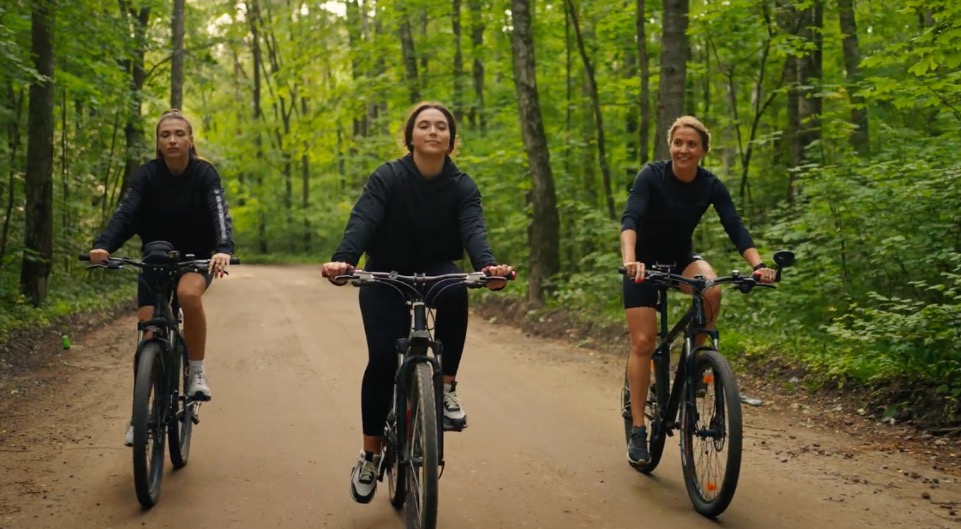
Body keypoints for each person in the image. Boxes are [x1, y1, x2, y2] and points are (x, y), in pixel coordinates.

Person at [321, 101, 514, 504]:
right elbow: (364, 219)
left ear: (451, 140)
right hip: (385, 271)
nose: (432, 131)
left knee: (457, 289)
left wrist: (489, 267)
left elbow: (473, 230)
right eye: (423, 126)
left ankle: (444, 389)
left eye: (440, 127)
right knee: (381, 360)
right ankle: (370, 456)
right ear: (410, 137)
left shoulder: (462, 185)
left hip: (435, 267)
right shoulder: (388, 177)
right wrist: (345, 259)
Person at [619, 115, 775, 466]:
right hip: (642, 265)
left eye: (692, 144)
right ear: (670, 146)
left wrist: (757, 265)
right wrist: (631, 260)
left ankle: (695, 365)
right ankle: (639, 430)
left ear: (703, 150)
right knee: (643, 342)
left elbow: (734, 225)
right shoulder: (651, 176)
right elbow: (630, 219)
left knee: (712, 288)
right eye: (678, 143)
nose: (683, 150)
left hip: (680, 261)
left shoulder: (710, 185)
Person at [88, 109, 235, 447]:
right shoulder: (148, 175)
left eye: (179, 134)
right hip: (154, 260)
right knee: (147, 340)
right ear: (158, 141)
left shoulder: (204, 173)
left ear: (190, 140)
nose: (172, 139)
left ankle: (196, 371)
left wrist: (223, 247)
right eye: (165, 134)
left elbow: (219, 214)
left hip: (196, 259)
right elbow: (126, 214)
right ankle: (141, 416)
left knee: (188, 296)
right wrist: (103, 245)